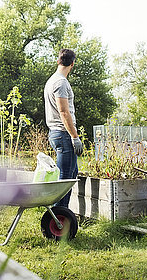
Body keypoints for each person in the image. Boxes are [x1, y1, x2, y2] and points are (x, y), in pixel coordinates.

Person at [44, 48, 83, 208]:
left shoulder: (52, 80)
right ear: (72, 64)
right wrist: (75, 137)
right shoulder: (60, 82)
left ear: (58, 61)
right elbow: (64, 112)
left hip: (58, 133)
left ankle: (61, 214)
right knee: (65, 178)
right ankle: (58, 217)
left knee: (72, 173)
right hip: (62, 134)